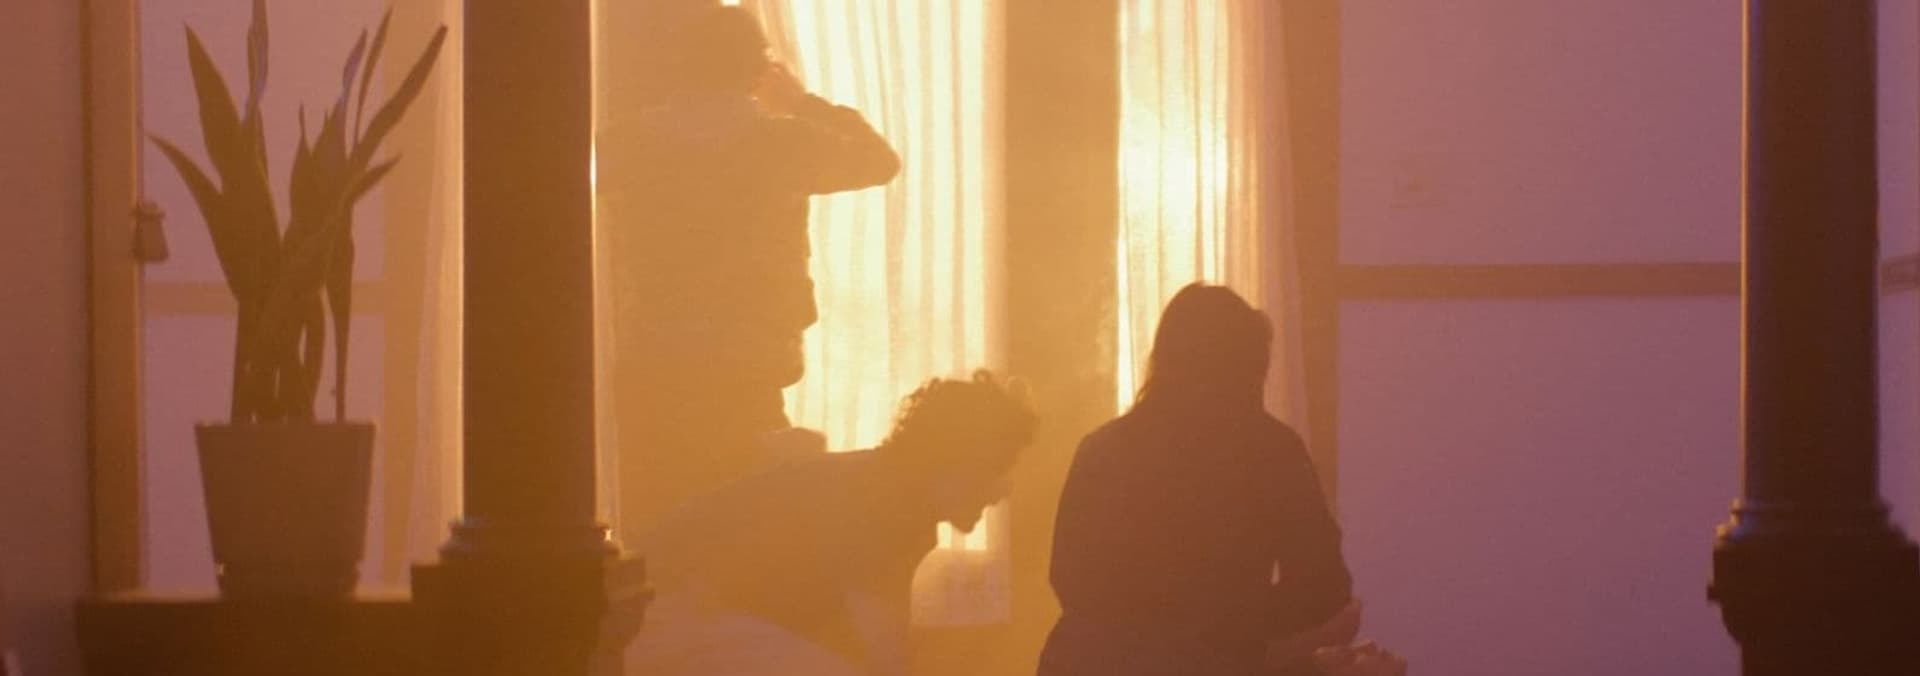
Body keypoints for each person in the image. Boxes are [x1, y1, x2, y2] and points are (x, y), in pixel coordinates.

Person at [601, 4, 903, 535]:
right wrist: (800, 102)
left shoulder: (628, 144)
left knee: (652, 519)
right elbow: (878, 160)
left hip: (659, 355)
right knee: (745, 525)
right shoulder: (782, 142)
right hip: (752, 360)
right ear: (758, 69)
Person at [1038, 283, 1395, 676]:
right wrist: (1239, 632)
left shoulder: (1103, 450)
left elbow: (1071, 581)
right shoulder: (1273, 452)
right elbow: (1324, 587)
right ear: (1251, 370)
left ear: (1164, 361)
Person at [625, 371, 1036, 676]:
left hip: (676, 621)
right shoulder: (883, 501)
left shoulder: (895, 495)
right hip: (657, 619)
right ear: (954, 460)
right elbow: (879, 649)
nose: (1003, 488)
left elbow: (883, 643)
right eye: (996, 469)